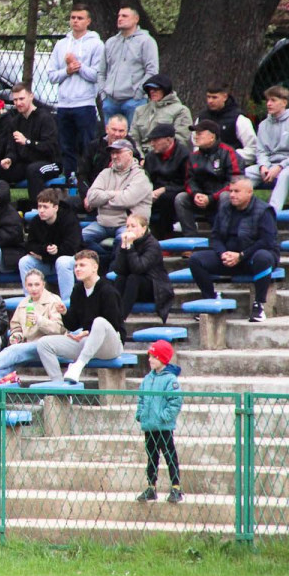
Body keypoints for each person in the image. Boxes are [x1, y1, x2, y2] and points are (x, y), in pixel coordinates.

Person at [188, 177, 277, 323]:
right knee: (196, 259)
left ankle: (259, 305)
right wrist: (223, 253)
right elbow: (215, 237)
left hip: (251, 257)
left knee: (264, 257)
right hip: (228, 257)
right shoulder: (224, 208)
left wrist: (241, 255)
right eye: (231, 191)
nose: (232, 195)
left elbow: (267, 241)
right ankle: (210, 299)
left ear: (249, 192)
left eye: (237, 191)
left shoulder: (264, 210)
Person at [35, 250, 125, 384]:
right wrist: (65, 313)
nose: (77, 269)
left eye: (82, 265)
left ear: (95, 267)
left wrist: (87, 332)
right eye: (76, 266)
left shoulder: (108, 290)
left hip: (110, 345)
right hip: (87, 342)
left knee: (99, 322)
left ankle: (78, 366)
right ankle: (59, 386)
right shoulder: (77, 290)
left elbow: (114, 325)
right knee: (44, 343)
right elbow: (72, 325)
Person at [47, 3, 104, 177]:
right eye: (73, 18)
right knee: (66, 145)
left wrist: (78, 67)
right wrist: (67, 70)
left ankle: (89, 177)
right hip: (64, 104)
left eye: (80, 18)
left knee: (88, 144)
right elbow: (52, 76)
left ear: (88, 21)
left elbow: (97, 75)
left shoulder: (96, 44)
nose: (75, 21)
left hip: (85, 103)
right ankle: (70, 179)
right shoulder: (61, 45)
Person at [82, 139, 153, 259]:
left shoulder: (141, 176)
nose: (114, 156)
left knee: (122, 241)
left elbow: (127, 200)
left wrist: (103, 197)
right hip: (103, 223)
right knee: (79, 238)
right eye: (112, 153)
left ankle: (112, 271)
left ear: (130, 154)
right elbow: (91, 198)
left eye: (118, 152)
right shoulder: (105, 173)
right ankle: (104, 260)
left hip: (127, 224)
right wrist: (115, 194)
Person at [245, 85, 289, 214]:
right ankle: (241, 209)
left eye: (273, 100)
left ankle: (272, 212)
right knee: (245, 174)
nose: (268, 104)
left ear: (284, 102)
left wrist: (279, 167)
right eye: (268, 100)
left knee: (284, 176)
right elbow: (261, 150)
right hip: (268, 165)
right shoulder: (263, 124)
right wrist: (264, 166)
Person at [135, 339, 184, 504]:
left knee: (170, 456)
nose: (150, 360)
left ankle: (176, 487)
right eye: (150, 356)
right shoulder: (147, 379)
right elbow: (141, 398)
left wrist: (164, 416)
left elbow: (175, 402)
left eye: (154, 357)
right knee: (151, 457)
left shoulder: (170, 380)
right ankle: (151, 487)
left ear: (162, 359)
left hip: (163, 426)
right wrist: (140, 414)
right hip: (149, 426)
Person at [175, 119, 240, 237]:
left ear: (212, 137)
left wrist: (211, 198)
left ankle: (223, 236)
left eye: (199, 134)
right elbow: (190, 180)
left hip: (220, 196)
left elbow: (234, 181)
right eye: (195, 134)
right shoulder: (193, 156)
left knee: (226, 196)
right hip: (201, 197)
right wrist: (196, 194)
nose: (195, 137)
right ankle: (190, 239)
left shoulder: (228, 152)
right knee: (181, 198)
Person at [98, 4, 159, 127]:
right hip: (110, 102)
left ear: (136, 19)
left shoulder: (146, 41)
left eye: (124, 16)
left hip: (134, 101)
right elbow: (101, 72)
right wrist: (103, 94)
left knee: (133, 140)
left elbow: (152, 71)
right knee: (111, 141)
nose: (120, 18)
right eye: (119, 16)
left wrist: (139, 93)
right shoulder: (111, 42)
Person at [2, 84, 63, 200]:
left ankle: (36, 209)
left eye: (21, 99)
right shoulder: (15, 121)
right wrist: (9, 158)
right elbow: (12, 148)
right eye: (15, 100)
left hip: (50, 162)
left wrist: (27, 142)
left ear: (31, 96)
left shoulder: (45, 118)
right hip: (26, 163)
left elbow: (50, 147)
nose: (18, 103)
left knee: (33, 170)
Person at [19, 187, 80, 301]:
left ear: (55, 208)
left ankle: (67, 304)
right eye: (39, 206)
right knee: (24, 261)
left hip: (69, 262)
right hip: (47, 261)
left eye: (45, 207)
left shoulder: (69, 220)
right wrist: (45, 250)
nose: (41, 210)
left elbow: (72, 248)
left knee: (62, 261)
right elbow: (29, 245)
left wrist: (51, 253)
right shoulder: (36, 221)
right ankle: (30, 302)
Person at [112, 214, 174, 322]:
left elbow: (139, 268)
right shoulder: (126, 241)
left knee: (133, 278)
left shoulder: (152, 245)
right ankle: (111, 315)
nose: (129, 229)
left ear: (143, 229)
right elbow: (119, 270)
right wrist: (123, 248)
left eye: (133, 226)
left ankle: (119, 320)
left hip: (155, 288)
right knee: (120, 279)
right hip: (134, 287)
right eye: (127, 226)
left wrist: (130, 247)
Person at [76, 114, 139, 203]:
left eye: (121, 131)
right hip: (94, 193)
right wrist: (87, 196)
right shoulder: (94, 147)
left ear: (126, 132)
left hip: (120, 197)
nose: (117, 134)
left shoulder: (132, 151)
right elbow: (82, 174)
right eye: (114, 129)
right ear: (107, 129)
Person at [142, 123, 190, 240]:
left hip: (175, 190)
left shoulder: (184, 155)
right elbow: (146, 178)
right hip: (153, 190)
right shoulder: (150, 157)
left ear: (168, 140)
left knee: (166, 198)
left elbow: (186, 182)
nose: (152, 144)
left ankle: (166, 237)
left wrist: (164, 189)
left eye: (156, 140)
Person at [131, 74, 192, 154]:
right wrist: (140, 156)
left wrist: (155, 155)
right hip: (140, 156)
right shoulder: (140, 111)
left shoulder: (181, 111)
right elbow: (133, 138)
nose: (152, 92)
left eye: (155, 89)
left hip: (166, 156)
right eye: (149, 89)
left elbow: (181, 139)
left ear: (165, 90)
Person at [198, 84, 257, 167]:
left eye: (214, 97)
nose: (210, 101)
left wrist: (227, 158)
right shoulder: (201, 117)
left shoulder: (239, 119)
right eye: (208, 97)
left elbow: (252, 149)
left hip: (231, 167)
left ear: (225, 97)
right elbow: (196, 145)